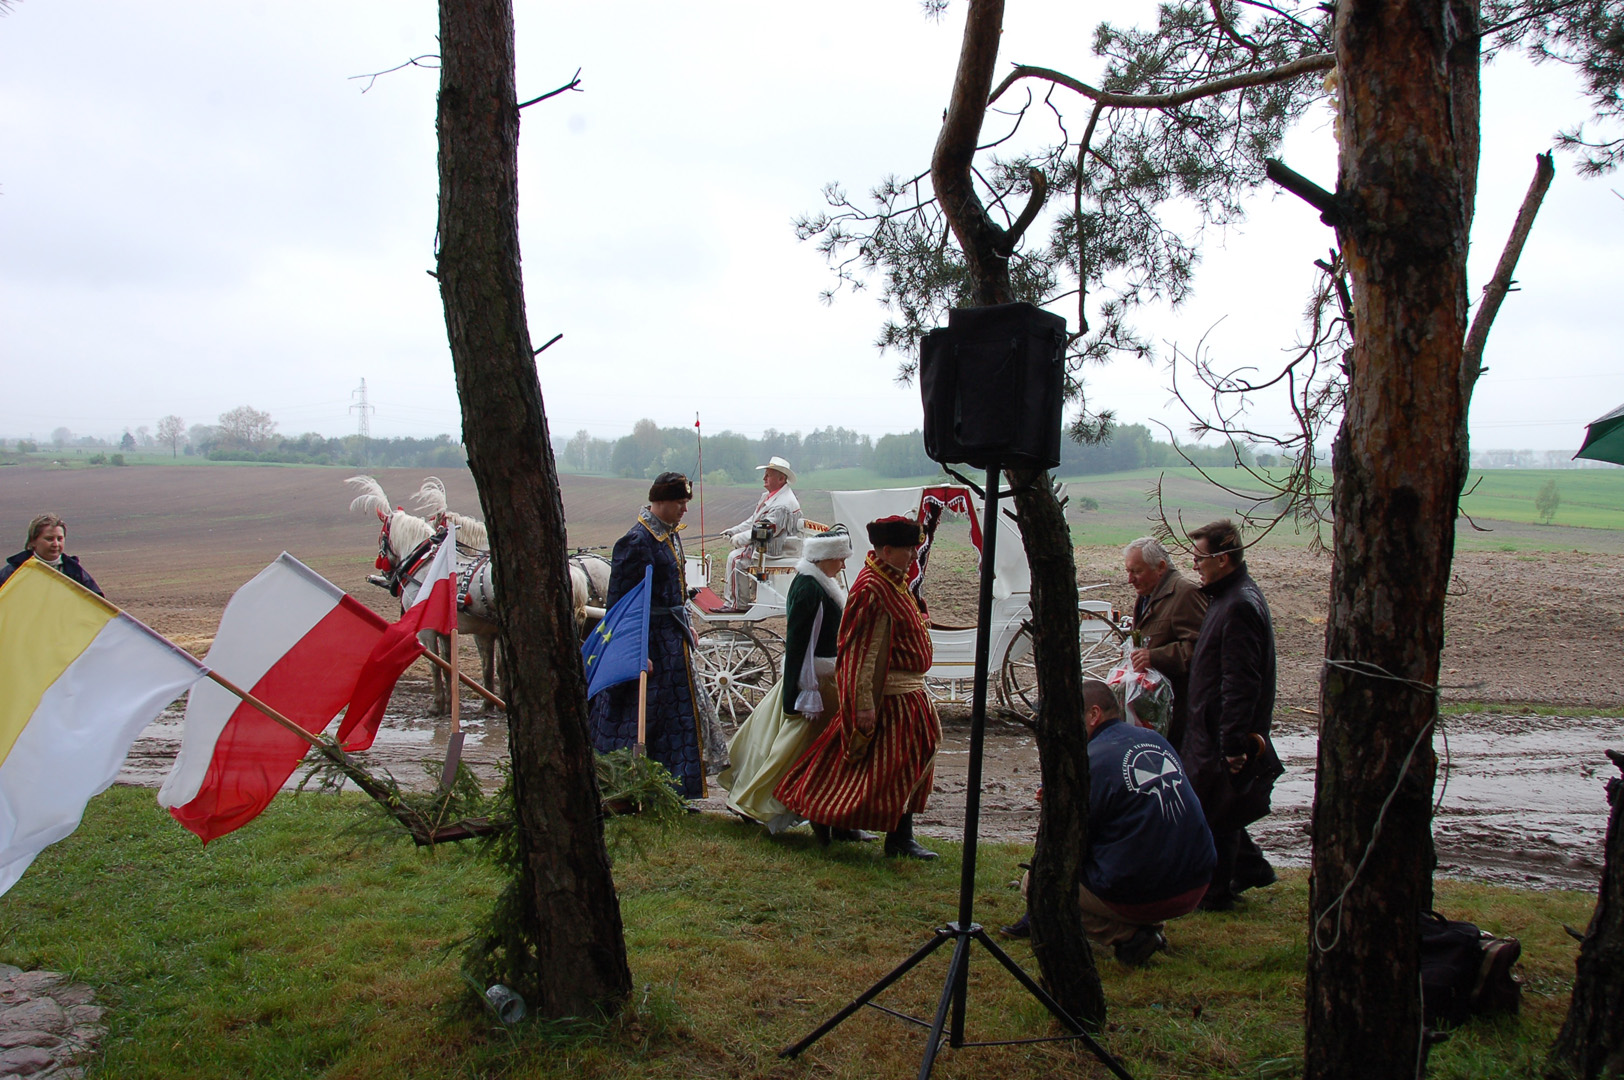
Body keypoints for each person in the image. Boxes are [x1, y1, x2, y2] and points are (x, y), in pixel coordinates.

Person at [1007, 680, 1215, 966]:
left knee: (1037, 882)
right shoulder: (1154, 738)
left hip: (1151, 893)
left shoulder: (1088, 761)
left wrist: (1055, 806)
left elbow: (1066, 845)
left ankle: (1130, 935)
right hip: (1198, 880)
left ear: (1094, 715)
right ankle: (1148, 924)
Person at [774, 516, 941, 859]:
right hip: (890, 698)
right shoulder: (872, 589)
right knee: (893, 765)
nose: (914, 555)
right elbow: (860, 652)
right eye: (908, 549)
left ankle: (842, 822)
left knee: (887, 764)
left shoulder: (891, 583)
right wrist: (863, 703)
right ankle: (891, 836)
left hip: (906, 696)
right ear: (887, 550)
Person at [718, 526, 871, 839]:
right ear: (825, 557)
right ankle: (771, 803)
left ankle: (832, 819)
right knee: (796, 752)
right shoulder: (810, 589)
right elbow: (801, 644)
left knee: (799, 750)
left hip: (820, 679)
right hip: (813, 683)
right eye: (840, 558)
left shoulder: (818, 583)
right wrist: (803, 691)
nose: (843, 564)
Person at [1183, 518, 1283, 911]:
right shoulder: (1228, 598)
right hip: (1210, 725)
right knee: (1217, 807)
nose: (1195, 565)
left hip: (1219, 729)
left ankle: (1215, 892)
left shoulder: (1239, 604)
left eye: (1200, 558)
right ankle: (1251, 869)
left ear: (1222, 559)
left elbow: (1241, 680)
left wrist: (1234, 742)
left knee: (1217, 812)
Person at [588, 473, 708, 799]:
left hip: (672, 640)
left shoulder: (669, 534)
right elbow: (620, 603)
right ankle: (628, 787)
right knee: (643, 716)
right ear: (661, 501)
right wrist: (636, 652)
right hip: (648, 642)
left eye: (686, 503)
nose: (685, 509)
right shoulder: (636, 542)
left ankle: (674, 791)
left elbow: (675, 591)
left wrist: (686, 624)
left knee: (675, 720)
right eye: (680, 503)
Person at [1124, 536, 1208, 749]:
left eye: (1136, 571)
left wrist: (1153, 657)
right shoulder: (1147, 594)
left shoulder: (1186, 593)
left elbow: (1201, 649)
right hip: (1157, 708)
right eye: (1128, 571)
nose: (1130, 579)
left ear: (1160, 567)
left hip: (1181, 710)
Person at [720, 456, 802, 609]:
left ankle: (738, 604)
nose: (764, 478)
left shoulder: (783, 504)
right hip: (768, 545)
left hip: (775, 549)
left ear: (781, 479)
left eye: (768, 475)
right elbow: (754, 521)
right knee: (736, 556)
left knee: (736, 558)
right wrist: (734, 531)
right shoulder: (771, 497)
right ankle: (740, 601)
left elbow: (764, 531)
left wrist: (739, 539)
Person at [0, 514, 102, 596]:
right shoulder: (14, 572)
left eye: (59, 539)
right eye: (49, 539)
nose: (55, 544)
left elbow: (97, 603)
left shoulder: (75, 572)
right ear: (32, 542)